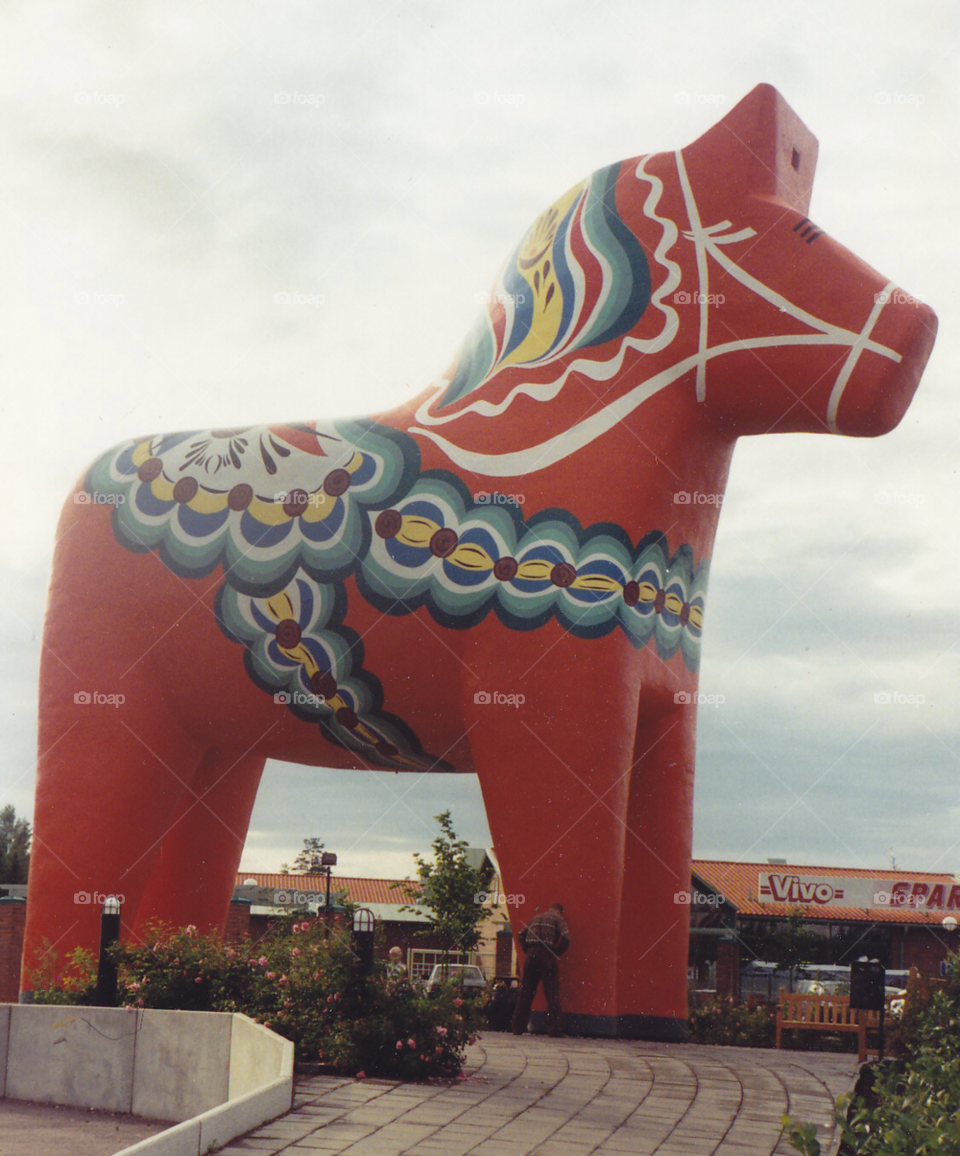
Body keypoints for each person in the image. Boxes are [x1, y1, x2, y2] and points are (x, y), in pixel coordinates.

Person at [511, 902, 570, 1037]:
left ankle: (517, 1027)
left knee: (526, 992)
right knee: (551, 993)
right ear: (559, 911)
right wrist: (557, 952)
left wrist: (527, 949)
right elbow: (566, 938)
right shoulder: (558, 919)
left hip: (531, 956)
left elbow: (521, 935)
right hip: (547, 955)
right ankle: (554, 1030)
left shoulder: (536, 918)